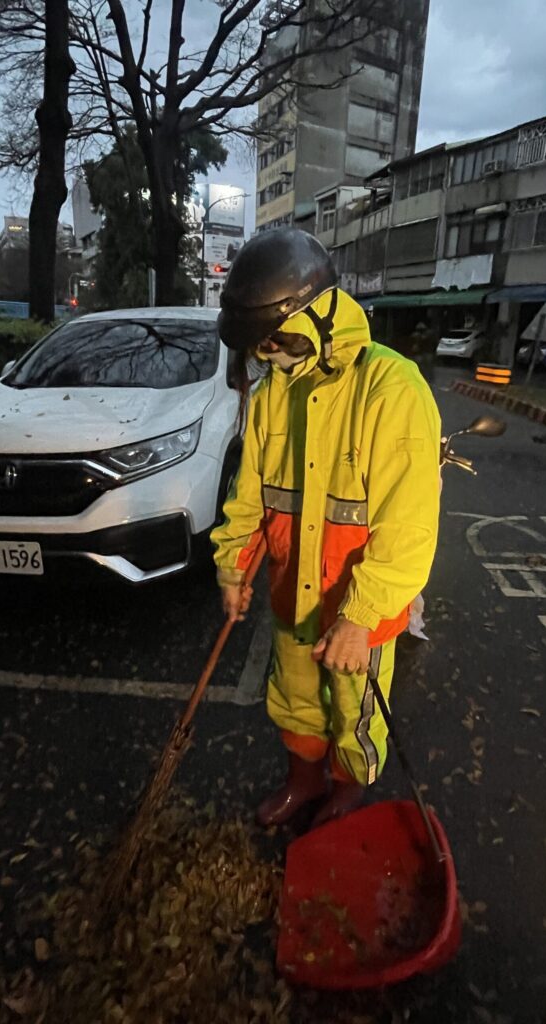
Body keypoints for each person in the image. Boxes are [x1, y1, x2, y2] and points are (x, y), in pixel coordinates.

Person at [211, 228, 441, 828]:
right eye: (259, 346)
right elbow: (249, 495)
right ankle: (303, 782)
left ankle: (347, 792)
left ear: (319, 314)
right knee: (294, 699)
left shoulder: (393, 390)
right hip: (293, 595)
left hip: (358, 613)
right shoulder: (272, 395)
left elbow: (409, 529)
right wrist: (232, 567)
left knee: (354, 713)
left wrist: (360, 618)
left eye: (274, 339)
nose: (267, 355)